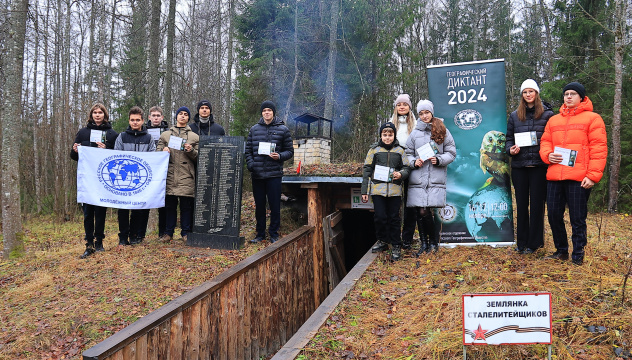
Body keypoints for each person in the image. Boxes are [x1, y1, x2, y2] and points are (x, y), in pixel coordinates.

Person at [540, 82, 607, 265]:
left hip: (579, 178)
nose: (568, 97)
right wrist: (547, 155)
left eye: (573, 94)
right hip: (555, 176)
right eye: (566, 94)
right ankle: (561, 251)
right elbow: (545, 142)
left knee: (577, 218)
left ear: (582, 98)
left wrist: (592, 176)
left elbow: (599, 149)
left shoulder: (593, 119)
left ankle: (578, 255)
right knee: (553, 214)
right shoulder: (553, 120)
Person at [505, 79, 554, 254]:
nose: (528, 95)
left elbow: (552, 140)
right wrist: (511, 150)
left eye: (531, 91)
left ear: (536, 93)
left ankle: (534, 243)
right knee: (522, 205)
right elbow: (508, 139)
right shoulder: (514, 116)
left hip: (540, 167)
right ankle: (522, 242)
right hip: (520, 167)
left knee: (537, 206)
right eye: (525, 92)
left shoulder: (548, 115)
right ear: (522, 95)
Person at [405, 100, 456, 255]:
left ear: (431, 113)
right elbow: (407, 153)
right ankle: (425, 244)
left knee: (426, 211)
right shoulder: (414, 133)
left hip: (434, 177)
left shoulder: (442, 130)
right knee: (420, 211)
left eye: (426, 112)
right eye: (421, 113)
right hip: (418, 178)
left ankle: (433, 243)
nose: (424, 116)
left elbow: (451, 152)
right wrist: (414, 162)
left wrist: (439, 160)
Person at [70, 103, 118, 258]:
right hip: (87, 180)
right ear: (91, 115)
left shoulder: (112, 134)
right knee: (88, 213)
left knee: (100, 212)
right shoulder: (83, 133)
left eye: (100, 112)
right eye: (95, 112)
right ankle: (89, 244)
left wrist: (107, 150)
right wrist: (75, 150)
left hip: (103, 180)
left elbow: (117, 158)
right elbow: (74, 156)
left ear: (105, 114)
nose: (98, 115)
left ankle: (99, 243)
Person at [245, 100, 294, 244]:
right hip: (258, 174)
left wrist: (279, 156)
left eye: (269, 110)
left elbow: (290, 151)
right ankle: (260, 234)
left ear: (273, 113)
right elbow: (248, 151)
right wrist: (251, 165)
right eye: (264, 110)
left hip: (274, 175)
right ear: (262, 113)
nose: (267, 112)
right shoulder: (254, 129)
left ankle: (273, 233)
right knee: (259, 206)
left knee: (274, 206)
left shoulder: (283, 129)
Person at [362, 122, 410, 261]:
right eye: (385, 134)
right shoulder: (374, 150)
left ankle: (396, 244)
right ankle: (382, 241)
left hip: (395, 191)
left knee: (394, 218)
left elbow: (406, 168)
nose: (387, 137)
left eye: (390, 135)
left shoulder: (400, 150)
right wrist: (365, 190)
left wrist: (401, 174)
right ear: (381, 135)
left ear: (394, 135)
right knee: (380, 217)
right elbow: (367, 170)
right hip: (378, 190)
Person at [156, 106, 200, 243]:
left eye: (185, 114)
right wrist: (163, 151)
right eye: (180, 114)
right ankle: (168, 233)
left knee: (186, 207)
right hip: (169, 175)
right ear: (176, 117)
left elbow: (199, 158)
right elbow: (156, 156)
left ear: (188, 118)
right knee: (170, 206)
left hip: (186, 175)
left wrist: (191, 150)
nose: (182, 116)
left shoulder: (194, 136)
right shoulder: (165, 135)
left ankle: (186, 233)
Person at [114, 106, 156, 246]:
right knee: (123, 209)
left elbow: (153, 158)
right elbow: (116, 155)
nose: (135, 122)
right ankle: (123, 237)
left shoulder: (148, 138)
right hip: (124, 179)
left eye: (138, 120)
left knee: (139, 208)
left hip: (141, 179)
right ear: (129, 120)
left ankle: (134, 235)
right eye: (132, 120)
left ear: (143, 120)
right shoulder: (122, 136)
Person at [391, 94, 418, 251]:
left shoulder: (416, 125)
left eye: (405, 104)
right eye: (399, 104)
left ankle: (407, 238)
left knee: (410, 204)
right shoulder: (390, 124)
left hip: (412, 167)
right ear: (395, 107)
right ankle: (393, 238)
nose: (402, 107)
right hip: (394, 168)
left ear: (409, 107)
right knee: (394, 203)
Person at [146, 105, 169, 238]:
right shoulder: (143, 130)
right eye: (153, 116)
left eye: (158, 116)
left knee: (164, 202)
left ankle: (163, 233)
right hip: (148, 169)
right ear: (149, 117)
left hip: (163, 171)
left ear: (162, 117)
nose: (155, 118)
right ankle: (139, 234)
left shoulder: (168, 131)